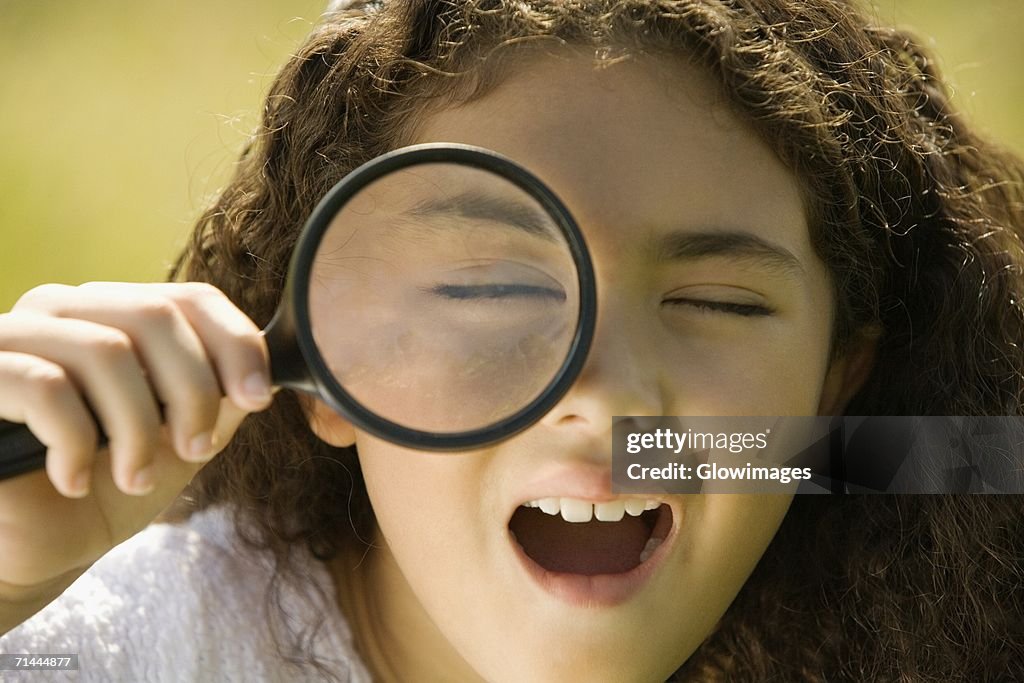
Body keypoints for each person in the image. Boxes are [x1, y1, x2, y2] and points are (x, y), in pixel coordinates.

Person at [1, 0, 1023, 680]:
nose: (611, 399)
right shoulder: (116, 648)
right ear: (329, 365)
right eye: (488, 287)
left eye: (721, 303)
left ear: (833, 391)